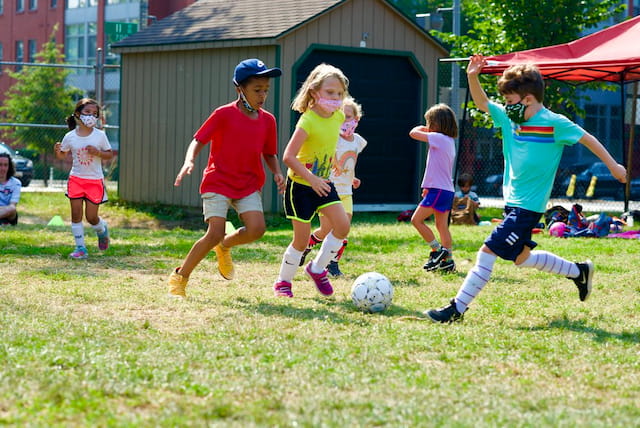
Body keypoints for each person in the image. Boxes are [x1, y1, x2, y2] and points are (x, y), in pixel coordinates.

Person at [425, 54, 627, 323]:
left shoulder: (554, 123)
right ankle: (579, 272)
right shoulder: (511, 119)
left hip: (528, 208)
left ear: (528, 99)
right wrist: (473, 76)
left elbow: (588, 139)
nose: (506, 106)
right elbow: (483, 103)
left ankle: (456, 309)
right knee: (521, 258)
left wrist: (614, 166)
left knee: (487, 252)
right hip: (512, 203)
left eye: (510, 101)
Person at [167, 58, 285, 299]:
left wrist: (277, 172)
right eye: (257, 90)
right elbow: (198, 139)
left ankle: (225, 246)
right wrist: (189, 160)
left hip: (248, 183)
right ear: (239, 89)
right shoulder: (223, 114)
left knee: (257, 229)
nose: (262, 95)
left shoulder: (268, 120)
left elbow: (269, 152)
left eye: (266, 90)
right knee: (215, 232)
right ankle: (181, 276)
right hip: (218, 180)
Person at [274, 63, 350, 298]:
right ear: (314, 92)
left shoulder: (338, 116)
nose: (335, 97)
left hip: (324, 183)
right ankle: (283, 282)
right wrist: (311, 178)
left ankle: (317, 269)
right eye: (330, 92)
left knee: (342, 226)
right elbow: (288, 156)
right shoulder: (307, 121)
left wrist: (333, 166)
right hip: (301, 187)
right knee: (300, 240)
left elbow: (326, 146)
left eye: (339, 93)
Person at [299, 96, 367, 277]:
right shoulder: (332, 137)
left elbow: (352, 159)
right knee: (326, 230)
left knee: (343, 229)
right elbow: (326, 155)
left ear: (356, 119)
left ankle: (332, 264)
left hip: (346, 192)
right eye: (341, 116)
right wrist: (334, 162)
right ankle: (308, 245)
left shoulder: (358, 141)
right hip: (329, 190)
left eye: (348, 117)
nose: (344, 121)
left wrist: (353, 177)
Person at [54, 98, 113, 259]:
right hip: (76, 179)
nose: (91, 116)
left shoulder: (100, 136)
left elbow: (109, 154)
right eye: (87, 112)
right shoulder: (70, 136)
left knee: (91, 217)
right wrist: (58, 150)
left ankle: (102, 230)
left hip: (94, 181)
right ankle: (80, 248)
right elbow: (61, 156)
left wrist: (98, 153)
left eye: (95, 113)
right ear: (78, 114)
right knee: (76, 214)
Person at [409, 103, 458, 273]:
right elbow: (435, 167)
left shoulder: (438, 138)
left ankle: (437, 250)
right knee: (441, 226)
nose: (427, 126)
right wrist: (427, 187)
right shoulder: (449, 140)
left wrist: (423, 127)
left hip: (439, 190)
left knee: (416, 220)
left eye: (429, 122)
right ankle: (448, 260)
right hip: (444, 190)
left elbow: (413, 133)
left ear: (436, 124)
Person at [0, 153, 21, 226]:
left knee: (12, 209)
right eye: (0, 165)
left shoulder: (16, 183)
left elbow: (12, 206)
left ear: (9, 167)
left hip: (9, 215)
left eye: (5, 165)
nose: (3, 168)